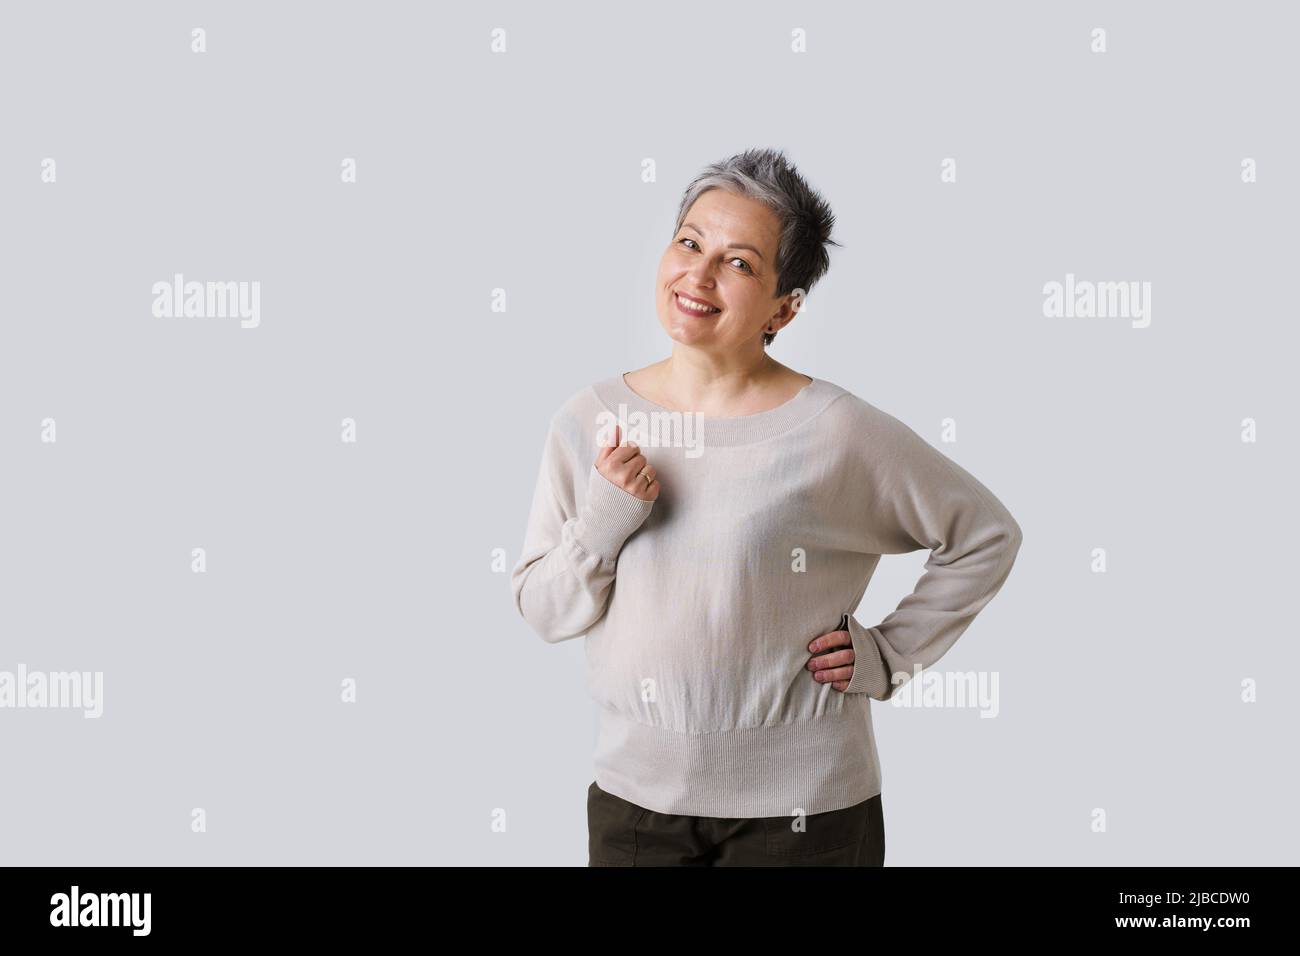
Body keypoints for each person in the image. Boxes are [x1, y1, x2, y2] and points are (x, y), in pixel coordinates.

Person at [511, 147, 1023, 866]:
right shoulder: (589, 418)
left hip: (807, 812)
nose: (699, 273)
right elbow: (543, 611)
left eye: (739, 262)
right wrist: (602, 522)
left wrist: (892, 655)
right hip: (634, 806)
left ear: (785, 307)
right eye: (689, 242)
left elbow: (985, 534)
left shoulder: (837, 431)